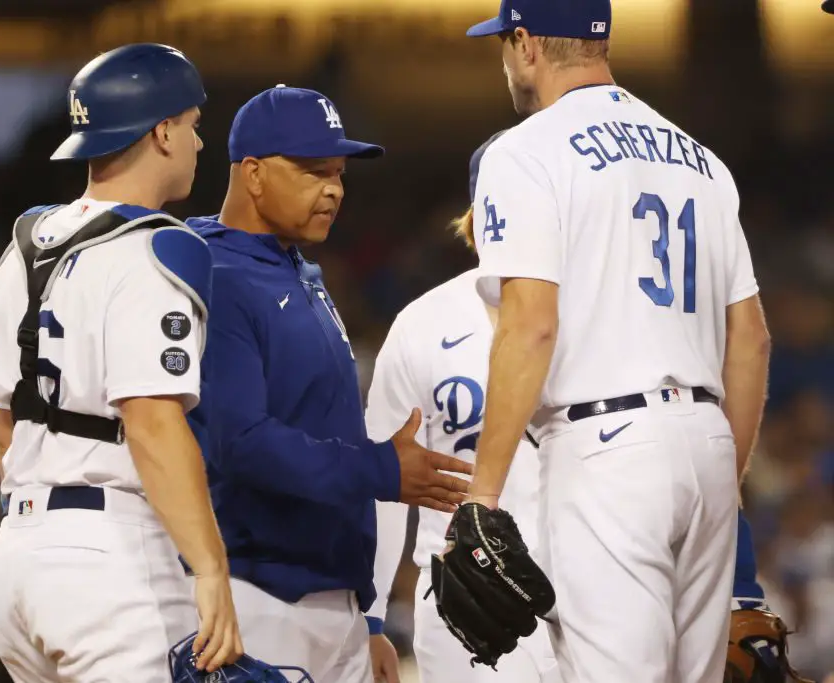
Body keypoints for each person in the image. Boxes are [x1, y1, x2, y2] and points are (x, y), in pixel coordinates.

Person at [461, 0, 772, 681]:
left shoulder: (524, 150)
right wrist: (724, 473)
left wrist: (481, 495)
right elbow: (749, 339)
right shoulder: (702, 161)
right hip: (708, 443)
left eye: (505, 44)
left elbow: (531, 323)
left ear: (525, 42)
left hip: (607, 452)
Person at [184, 84, 473, 683]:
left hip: (328, 604)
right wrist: (382, 471)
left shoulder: (300, 271)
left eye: (339, 173)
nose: (335, 189)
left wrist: (362, 621)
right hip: (258, 597)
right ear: (254, 174)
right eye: (314, 170)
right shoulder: (215, 272)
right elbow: (240, 442)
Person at [0, 43, 242, 682]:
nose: (199, 143)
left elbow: (6, 430)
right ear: (161, 132)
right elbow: (151, 419)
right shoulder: (157, 248)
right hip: (111, 560)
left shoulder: (21, 247)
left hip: (15, 552)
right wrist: (209, 568)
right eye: (192, 125)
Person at [366, 131, 559, 683]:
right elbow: (382, 484)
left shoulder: (598, 314)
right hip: (465, 598)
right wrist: (373, 617)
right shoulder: (423, 323)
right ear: (476, 220)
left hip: (586, 586)